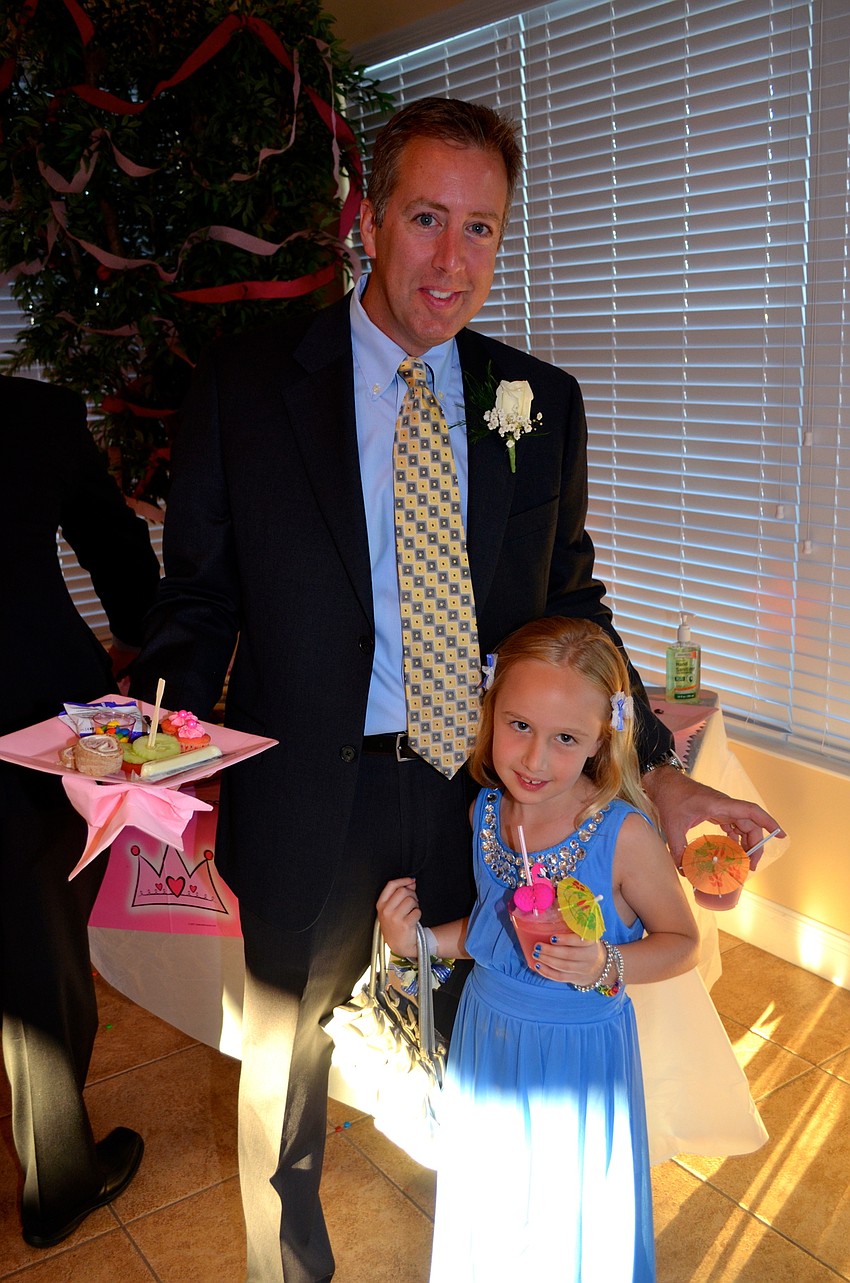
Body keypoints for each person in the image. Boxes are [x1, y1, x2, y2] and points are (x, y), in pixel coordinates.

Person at [130, 98, 781, 1282]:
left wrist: (664, 774)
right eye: (425, 217)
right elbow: (199, 601)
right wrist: (145, 734)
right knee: (287, 1076)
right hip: (305, 797)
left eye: (481, 228)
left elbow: (571, 609)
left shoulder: (538, 403)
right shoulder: (244, 389)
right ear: (364, 218)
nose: (451, 258)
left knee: (492, 1051)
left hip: (494, 799)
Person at [378, 616, 701, 1282]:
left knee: (562, 1218)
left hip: (576, 1055)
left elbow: (683, 943)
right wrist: (416, 941)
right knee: (499, 1211)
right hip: (487, 1038)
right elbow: (490, 931)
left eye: (565, 739)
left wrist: (607, 962)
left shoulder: (623, 834)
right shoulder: (486, 813)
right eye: (518, 725)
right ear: (490, 711)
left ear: (601, 740)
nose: (533, 758)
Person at [1, 374, 160, 1248]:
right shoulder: (33, 414)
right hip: (24, 727)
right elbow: (120, 556)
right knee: (38, 956)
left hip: (29, 728)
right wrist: (149, 638)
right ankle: (57, 1178)